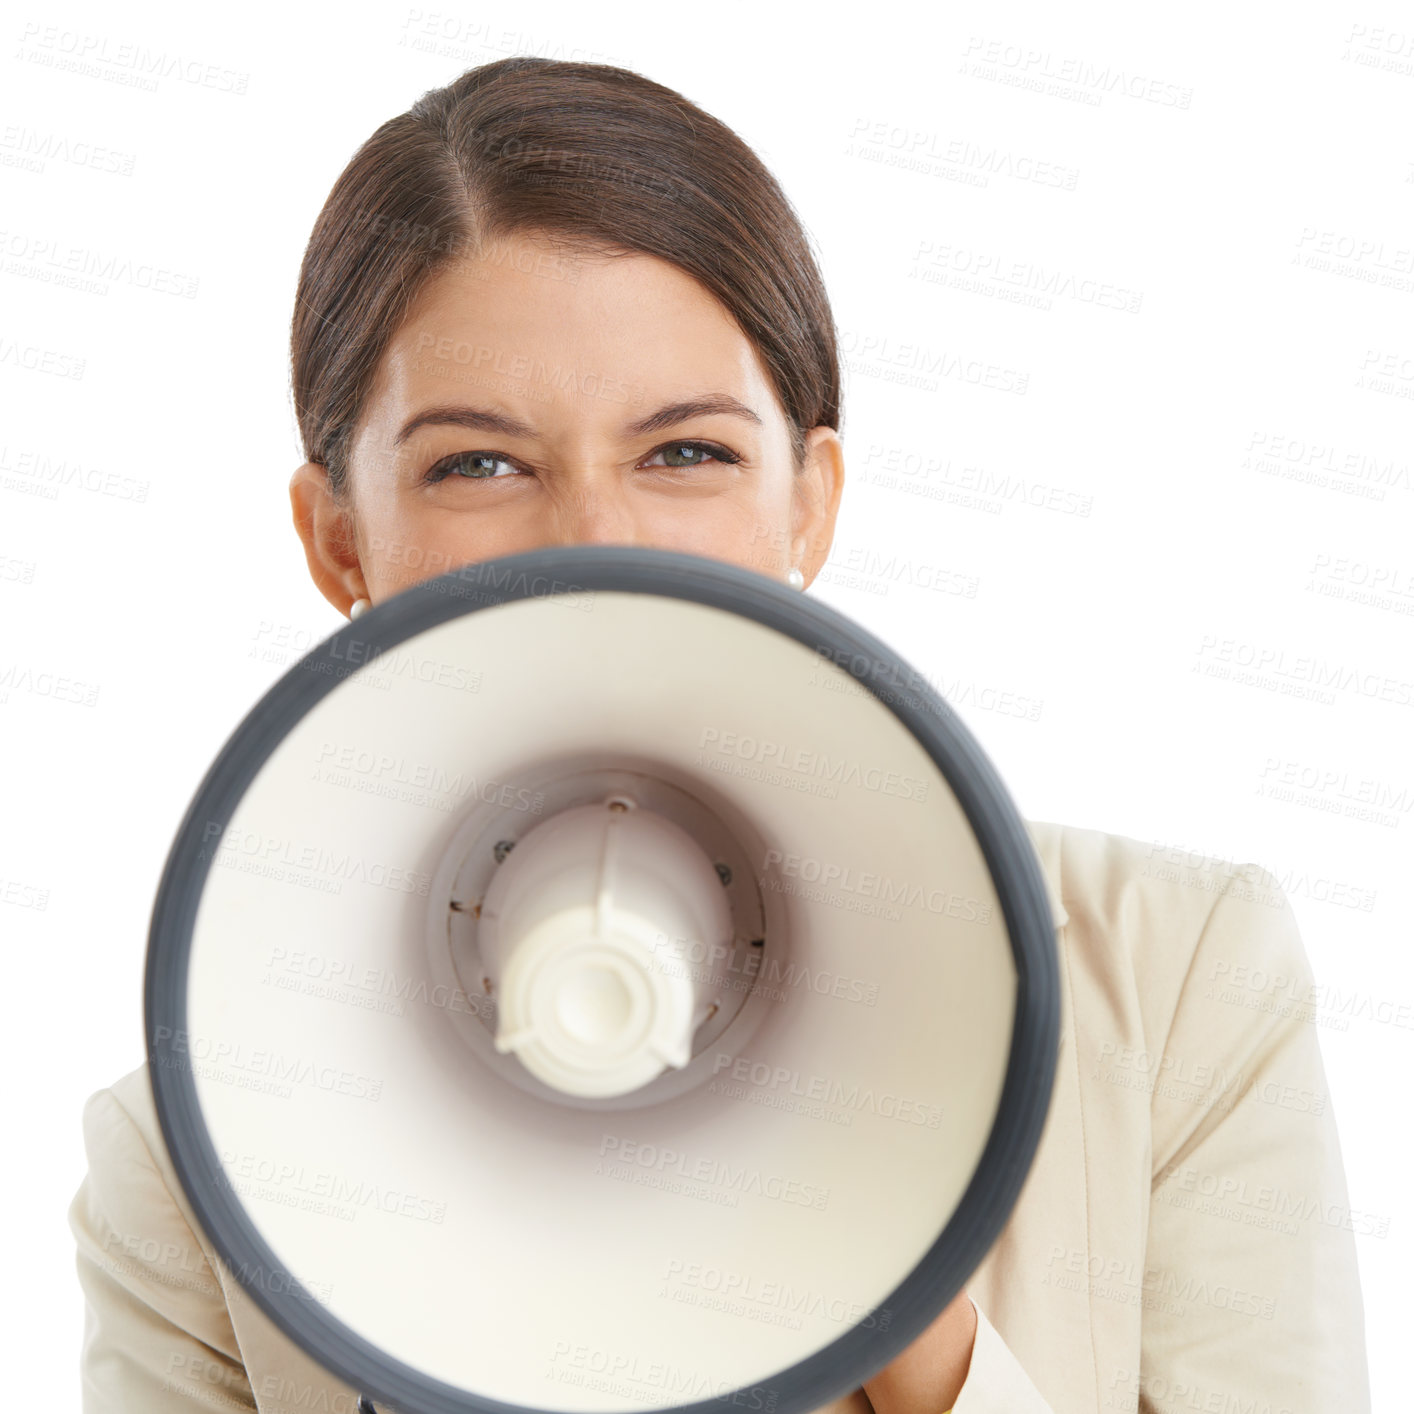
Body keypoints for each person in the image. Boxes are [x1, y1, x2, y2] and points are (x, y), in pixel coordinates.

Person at [67, 56, 1370, 1414]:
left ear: (811, 502)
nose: (595, 539)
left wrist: (905, 1327)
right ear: (338, 537)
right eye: (477, 463)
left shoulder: (1173, 988)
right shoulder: (194, 1158)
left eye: (685, 451)